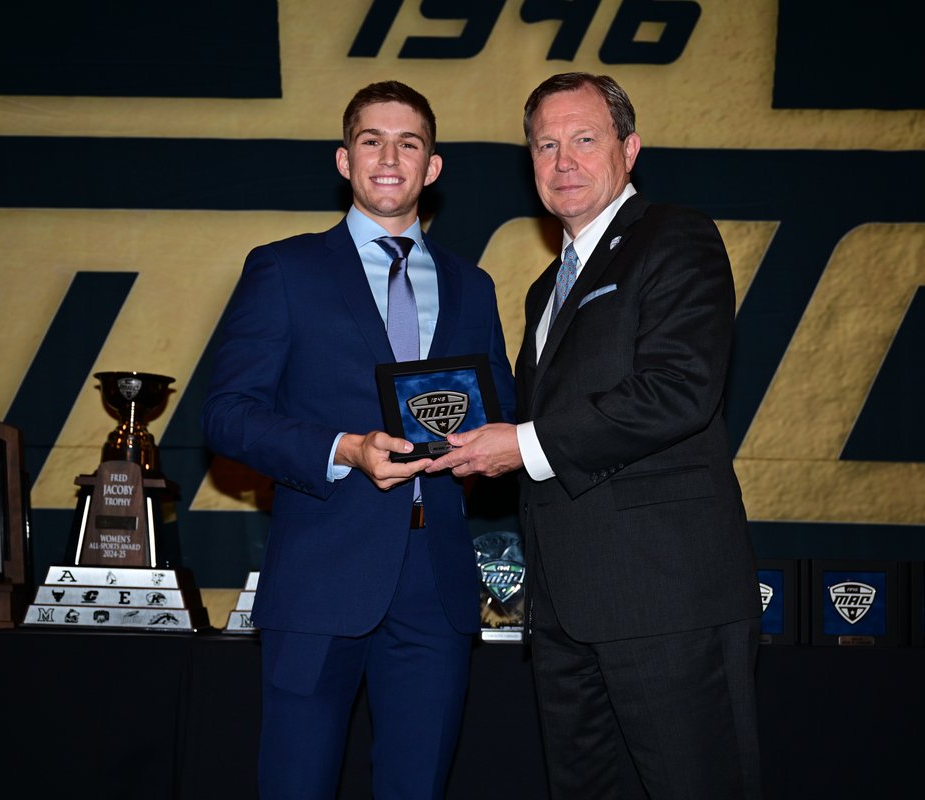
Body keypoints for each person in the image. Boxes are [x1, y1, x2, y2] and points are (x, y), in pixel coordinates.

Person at [426, 72, 762, 798]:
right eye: (546, 145)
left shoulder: (676, 237)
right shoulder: (546, 290)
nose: (563, 161)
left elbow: (679, 391)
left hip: (664, 601)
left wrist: (520, 444)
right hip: (564, 608)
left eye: (584, 140)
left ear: (629, 149)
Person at [202, 80, 515, 799]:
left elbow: (500, 408)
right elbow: (226, 414)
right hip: (321, 577)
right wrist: (345, 448)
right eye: (371, 140)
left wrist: (485, 448)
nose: (389, 157)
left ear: (431, 168)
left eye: (409, 143)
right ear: (344, 160)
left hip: (435, 587)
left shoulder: (473, 286)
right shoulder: (285, 268)